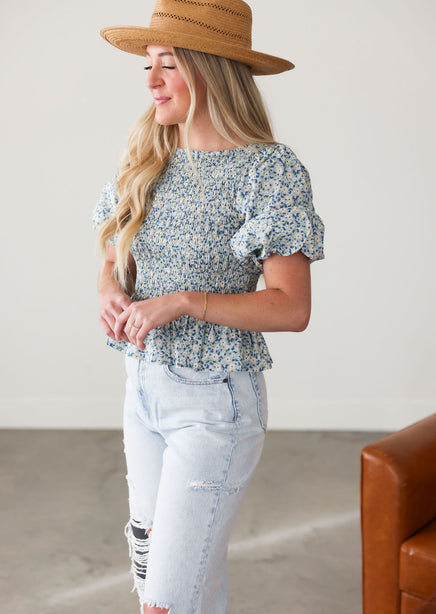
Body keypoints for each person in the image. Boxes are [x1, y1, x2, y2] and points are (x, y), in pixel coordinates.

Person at [92, 1, 325, 613]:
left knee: (166, 601)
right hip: (142, 390)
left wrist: (185, 302)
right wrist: (110, 290)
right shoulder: (147, 154)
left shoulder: (268, 170)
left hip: (214, 408)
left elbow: (291, 307)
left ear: (212, 70)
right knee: (177, 581)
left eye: (168, 64)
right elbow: (112, 256)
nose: (151, 80)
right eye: (148, 64)